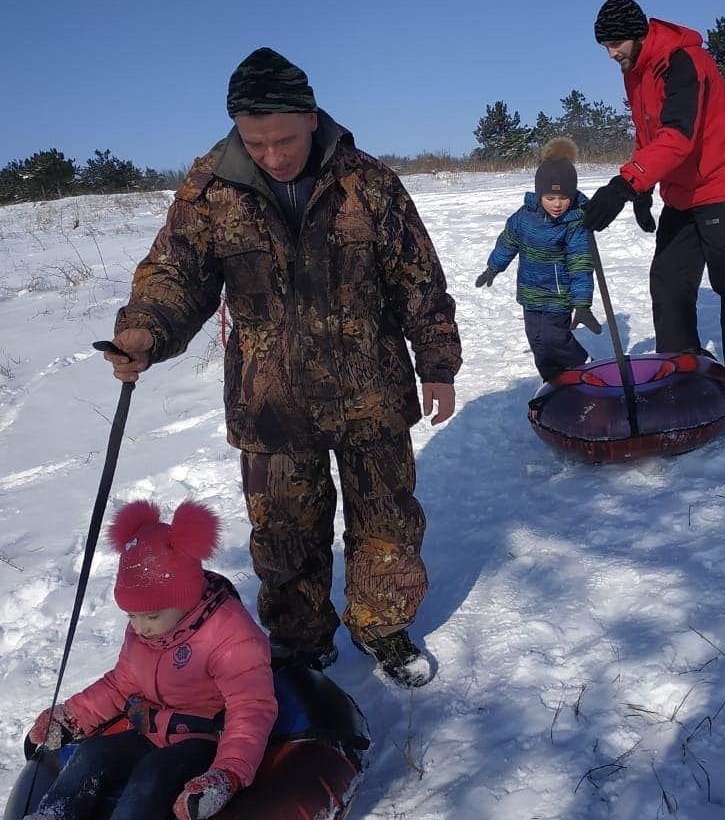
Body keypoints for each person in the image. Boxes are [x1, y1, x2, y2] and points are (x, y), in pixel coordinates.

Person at [100, 47, 463, 687]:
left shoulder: (368, 182)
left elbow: (418, 280)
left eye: (285, 139)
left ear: (312, 118)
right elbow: (176, 275)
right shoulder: (208, 190)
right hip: (271, 401)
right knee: (285, 534)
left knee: (386, 521)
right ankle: (299, 647)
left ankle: (384, 628)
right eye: (256, 141)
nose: (273, 154)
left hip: (369, 390)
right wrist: (144, 332)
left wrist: (437, 362)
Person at [26, 500, 277, 820]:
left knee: (151, 777)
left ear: (184, 599)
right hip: (148, 730)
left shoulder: (230, 634)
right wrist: (70, 718)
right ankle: (52, 815)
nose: (139, 626)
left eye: (151, 615)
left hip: (202, 741)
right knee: (93, 754)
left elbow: (251, 708)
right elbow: (120, 684)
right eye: (131, 615)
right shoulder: (145, 632)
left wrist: (227, 773)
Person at [584, 0, 725, 424]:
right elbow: (651, 134)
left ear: (638, 32)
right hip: (682, 191)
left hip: (720, 184)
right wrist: (644, 188)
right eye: (604, 46)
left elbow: (680, 136)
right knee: (668, 281)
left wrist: (624, 185)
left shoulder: (683, 62)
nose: (611, 54)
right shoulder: (636, 71)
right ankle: (684, 376)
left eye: (616, 43)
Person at [475, 137, 600, 381]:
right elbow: (507, 242)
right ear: (540, 194)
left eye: (563, 198)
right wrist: (493, 268)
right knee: (538, 342)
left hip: (558, 294)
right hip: (530, 293)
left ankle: (585, 367)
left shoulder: (574, 223)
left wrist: (582, 303)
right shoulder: (524, 217)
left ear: (572, 196)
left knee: (555, 336)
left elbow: (581, 264)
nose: (557, 204)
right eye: (550, 198)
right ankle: (553, 382)